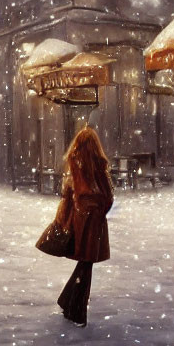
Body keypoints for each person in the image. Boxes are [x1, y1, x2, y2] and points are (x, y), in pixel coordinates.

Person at [56, 125, 113, 326]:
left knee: (85, 262)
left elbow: (68, 192)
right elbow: (108, 196)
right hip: (94, 217)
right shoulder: (98, 164)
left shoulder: (74, 162)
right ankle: (75, 310)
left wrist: (72, 214)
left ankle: (68, 302)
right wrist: (99, 211)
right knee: (86, 264)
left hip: (81, 216)